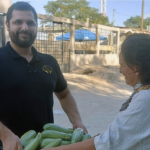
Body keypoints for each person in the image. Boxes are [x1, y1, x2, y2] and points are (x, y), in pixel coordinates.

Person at [0, 2, 87, 150]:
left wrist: (77, 121)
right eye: (18, 22)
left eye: (30, 23)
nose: (25, 27)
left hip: (46, 144)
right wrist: (5, 135)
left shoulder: (49, 62)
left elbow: (64, 94)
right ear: (7, 25)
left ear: (36, 26)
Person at [44, 34, 150, 150]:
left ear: (136, 67)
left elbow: (109, 142)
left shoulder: (145, 98)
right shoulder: (144, 92)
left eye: (122, 65)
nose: (120, 70)